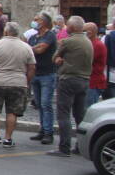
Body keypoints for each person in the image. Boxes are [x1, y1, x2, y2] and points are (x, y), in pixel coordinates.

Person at [0, 22, 36, 148]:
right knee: (12, 112)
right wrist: (26, 81)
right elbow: (32, 67)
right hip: (18, 82)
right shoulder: (26, 47)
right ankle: (8, 138)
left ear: (5, 32)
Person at [50, 16, 92, 157]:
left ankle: (64, 147)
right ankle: (81, 146)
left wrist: (59, 59)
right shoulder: (88, 42)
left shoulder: (69, 41)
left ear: (72, 28)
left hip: (68, 79)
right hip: (84, 80)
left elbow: (54, 58)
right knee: (80, 114)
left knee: (63, 113)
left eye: (67, 25)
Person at [29, 12, 58, 145]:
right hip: (36, 73)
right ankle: (42, 129)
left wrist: (31, 48)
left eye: (37, 19)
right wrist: (33, 48)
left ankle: (48, 132)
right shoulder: (34, 36)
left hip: (47, 74)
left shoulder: (50, 35)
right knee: (39, 104)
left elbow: (40, 50)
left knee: (46, 104)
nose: (35, 21)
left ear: (44, 22)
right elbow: (29, 50)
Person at [85, 23, 107, 106]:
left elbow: (87, 61)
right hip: (91, 81)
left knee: (89, 109)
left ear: (90, 32)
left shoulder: (97, 45)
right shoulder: (91, 43)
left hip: (94, 82)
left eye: (84, 31)